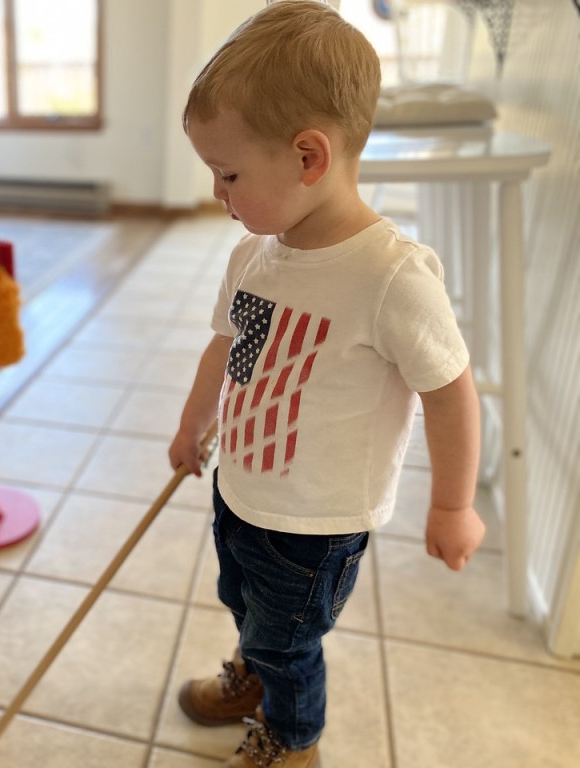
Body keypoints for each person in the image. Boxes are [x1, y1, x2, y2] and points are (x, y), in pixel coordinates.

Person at [167, 2, 487, 766]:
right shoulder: (255, 256)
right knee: (244, 605)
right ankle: (253, 674)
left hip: (315, 524)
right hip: (242, 491)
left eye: (229, 174)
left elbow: (450, 391)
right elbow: (228, 346)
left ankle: (292, 740)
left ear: (309, 157)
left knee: (291, 642)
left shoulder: (390, 276)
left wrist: (452, 505)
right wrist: (192, 424)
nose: (217, 193)